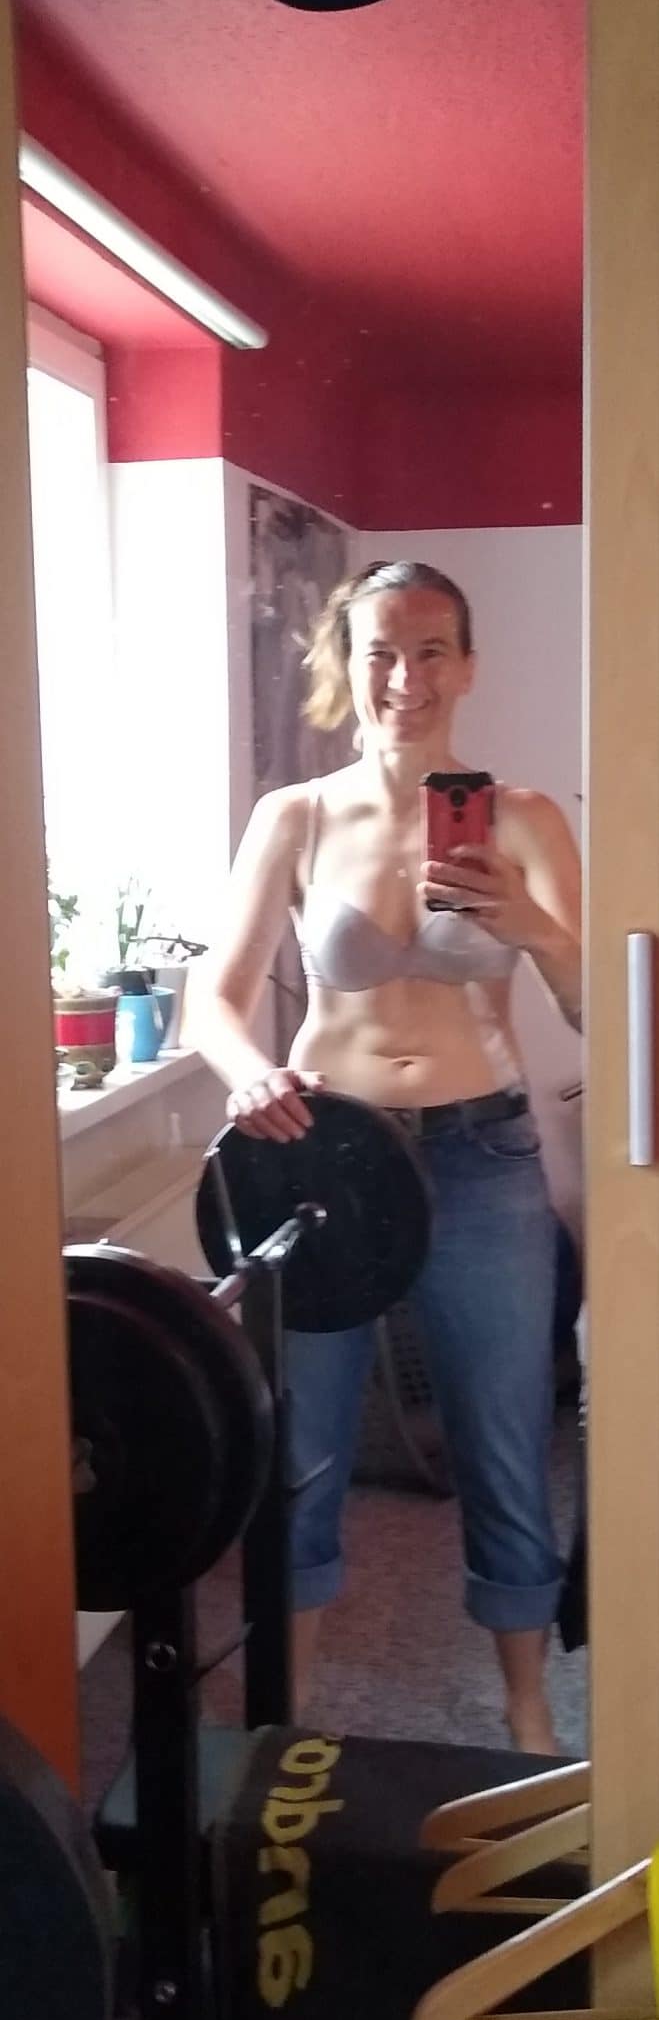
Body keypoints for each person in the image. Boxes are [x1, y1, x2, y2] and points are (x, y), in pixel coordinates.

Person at [192, 560, 582, 1752]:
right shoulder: (296, 816)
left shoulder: (520, 816)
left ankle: (526, 1720)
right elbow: (214, 995)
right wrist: (247, 1072)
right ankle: (289, 1712)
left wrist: (531, 926)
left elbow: (596, 1011)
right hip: (325, 1159)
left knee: (504, 1438)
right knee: (301, 1448)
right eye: (377, 651)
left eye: (428, 652)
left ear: (466, 667)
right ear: (344, 666)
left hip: (481, 1154)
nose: (402, 677)